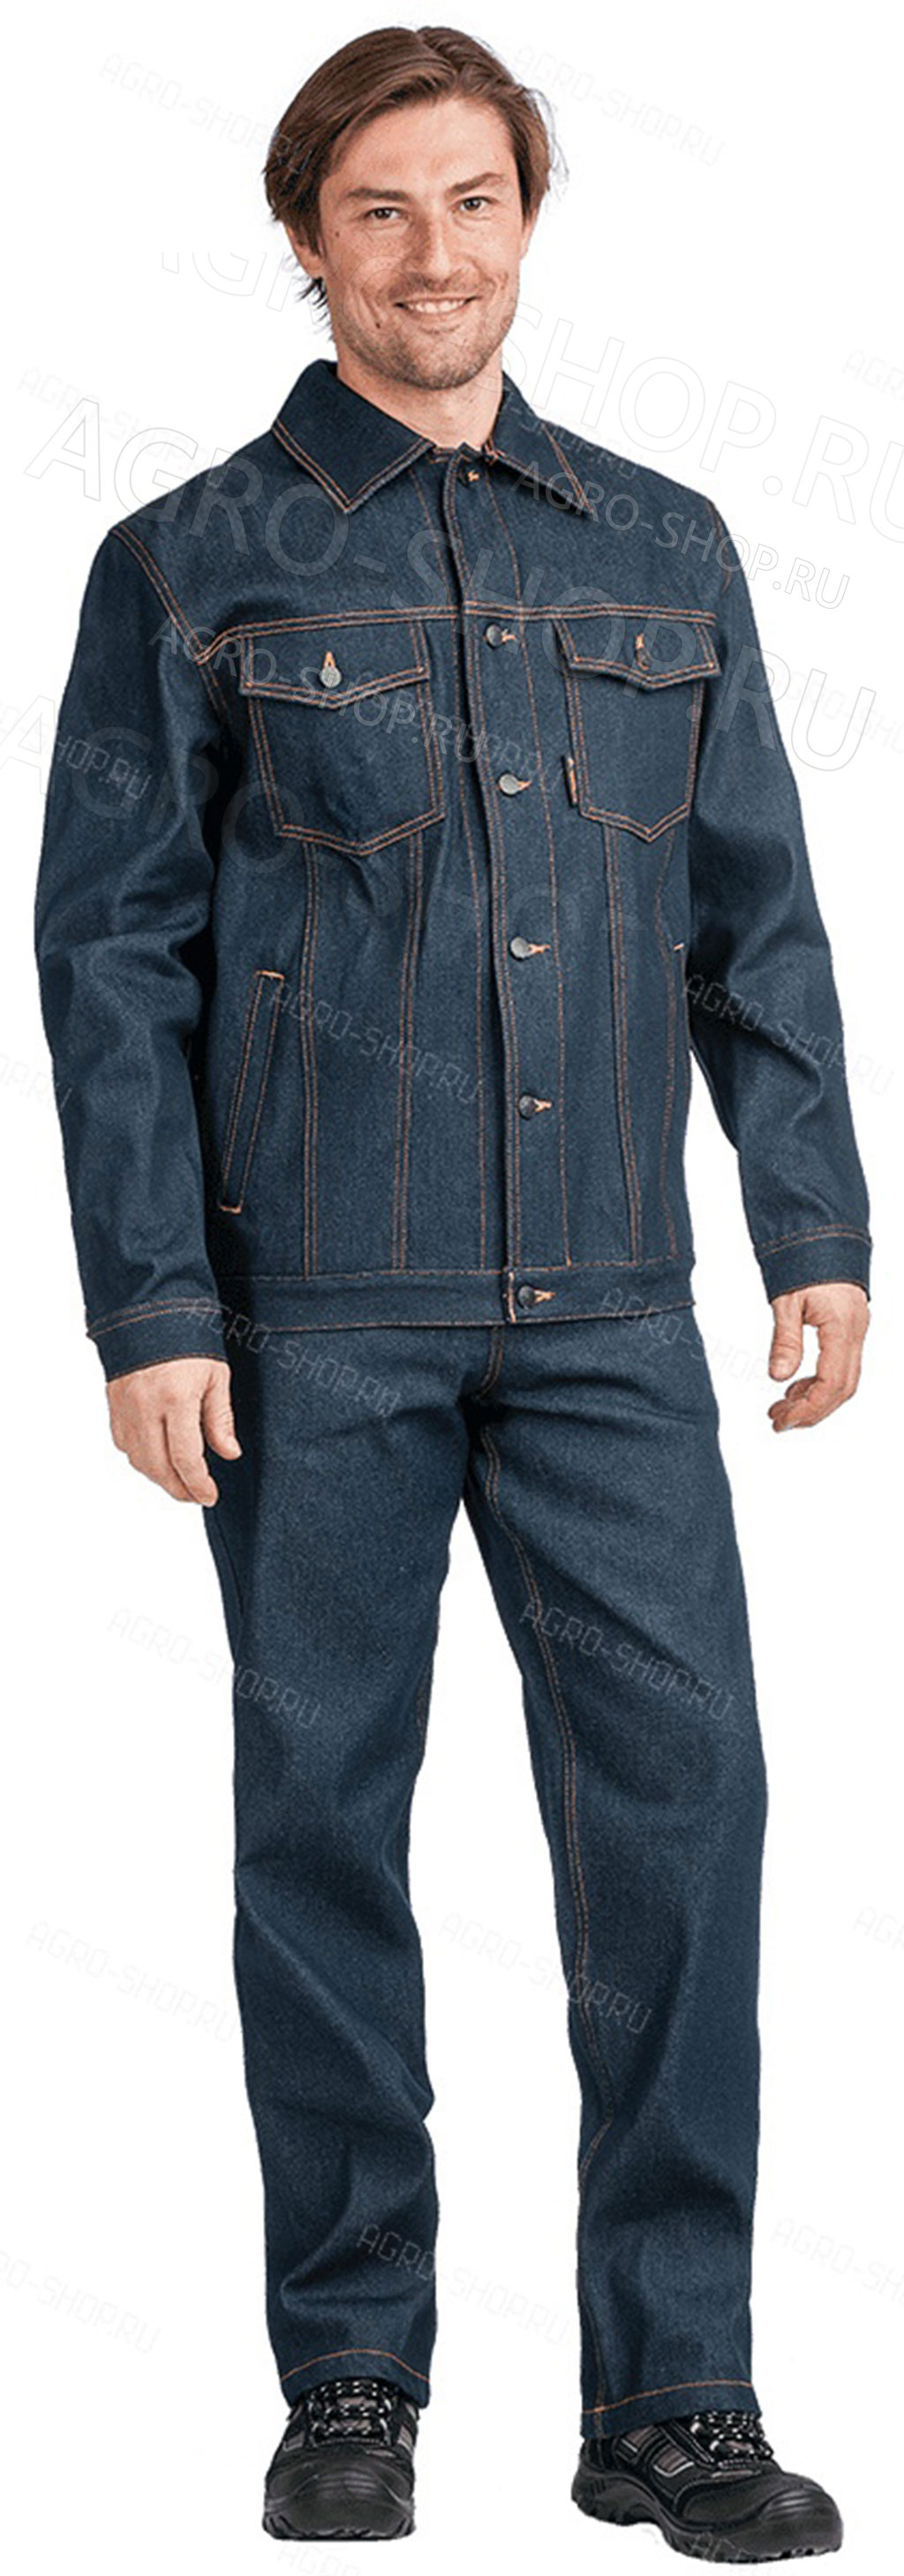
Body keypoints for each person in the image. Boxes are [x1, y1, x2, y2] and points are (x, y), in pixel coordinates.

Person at [34, 26, 870, 2559]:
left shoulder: (665, 550)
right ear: (306, 238)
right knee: (322, 1830)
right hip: (314, 1321)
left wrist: (817, 1228)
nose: (435, 252)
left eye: (474, 198)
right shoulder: (191, 562)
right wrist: (151, 1304)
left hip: (613, 1308)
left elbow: (759, 920)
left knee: (686, 1821)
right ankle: (355, 2376)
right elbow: (110, 959)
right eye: (380, 208)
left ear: (532, 216)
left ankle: (677, 2395)